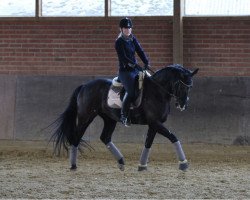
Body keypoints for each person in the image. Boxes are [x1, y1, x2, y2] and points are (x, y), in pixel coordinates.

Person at [115, 17, 150, 127]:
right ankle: (124, 116)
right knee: (131, 92)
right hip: (125, 71)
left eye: (129, 28)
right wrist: (135, 65)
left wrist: (146, 62)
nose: (128, 30)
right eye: (126, 28)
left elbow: (140, 50)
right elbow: (124, 58)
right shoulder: (119, 42)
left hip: (134, 69)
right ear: (121, 29)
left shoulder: (132, 39)